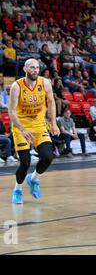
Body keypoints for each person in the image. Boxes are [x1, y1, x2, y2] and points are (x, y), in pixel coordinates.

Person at [8, 59, 60, 204]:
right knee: (25, 163)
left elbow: (51, 102)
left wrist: (54, 123)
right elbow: (11, 111)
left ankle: (33, 179)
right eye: (32, 68)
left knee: (48, 156)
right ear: (25, 69)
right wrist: (22, 130)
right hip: (21, 126)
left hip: (38, 124)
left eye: (37, 68)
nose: (35, 70)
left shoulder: (45, 83)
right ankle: (17, 189)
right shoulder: (16, 86)